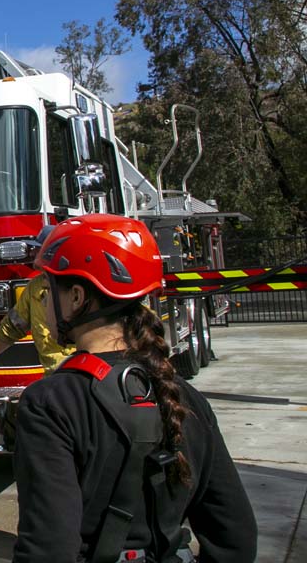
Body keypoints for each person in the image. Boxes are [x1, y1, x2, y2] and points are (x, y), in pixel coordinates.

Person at [13, 214, 257, 562]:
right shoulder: (185, 397)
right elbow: (236, 536)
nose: (44, 302)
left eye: (48, 290)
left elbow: (47, 548)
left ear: (77, 297)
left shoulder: (51, 403)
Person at [0, 229, 77, 375]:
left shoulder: (78, 287)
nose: (31, 254)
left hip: (82, 375)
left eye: (37, 249)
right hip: (54, 378)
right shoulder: (34, 288)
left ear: (51, 253)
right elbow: (11, 328)